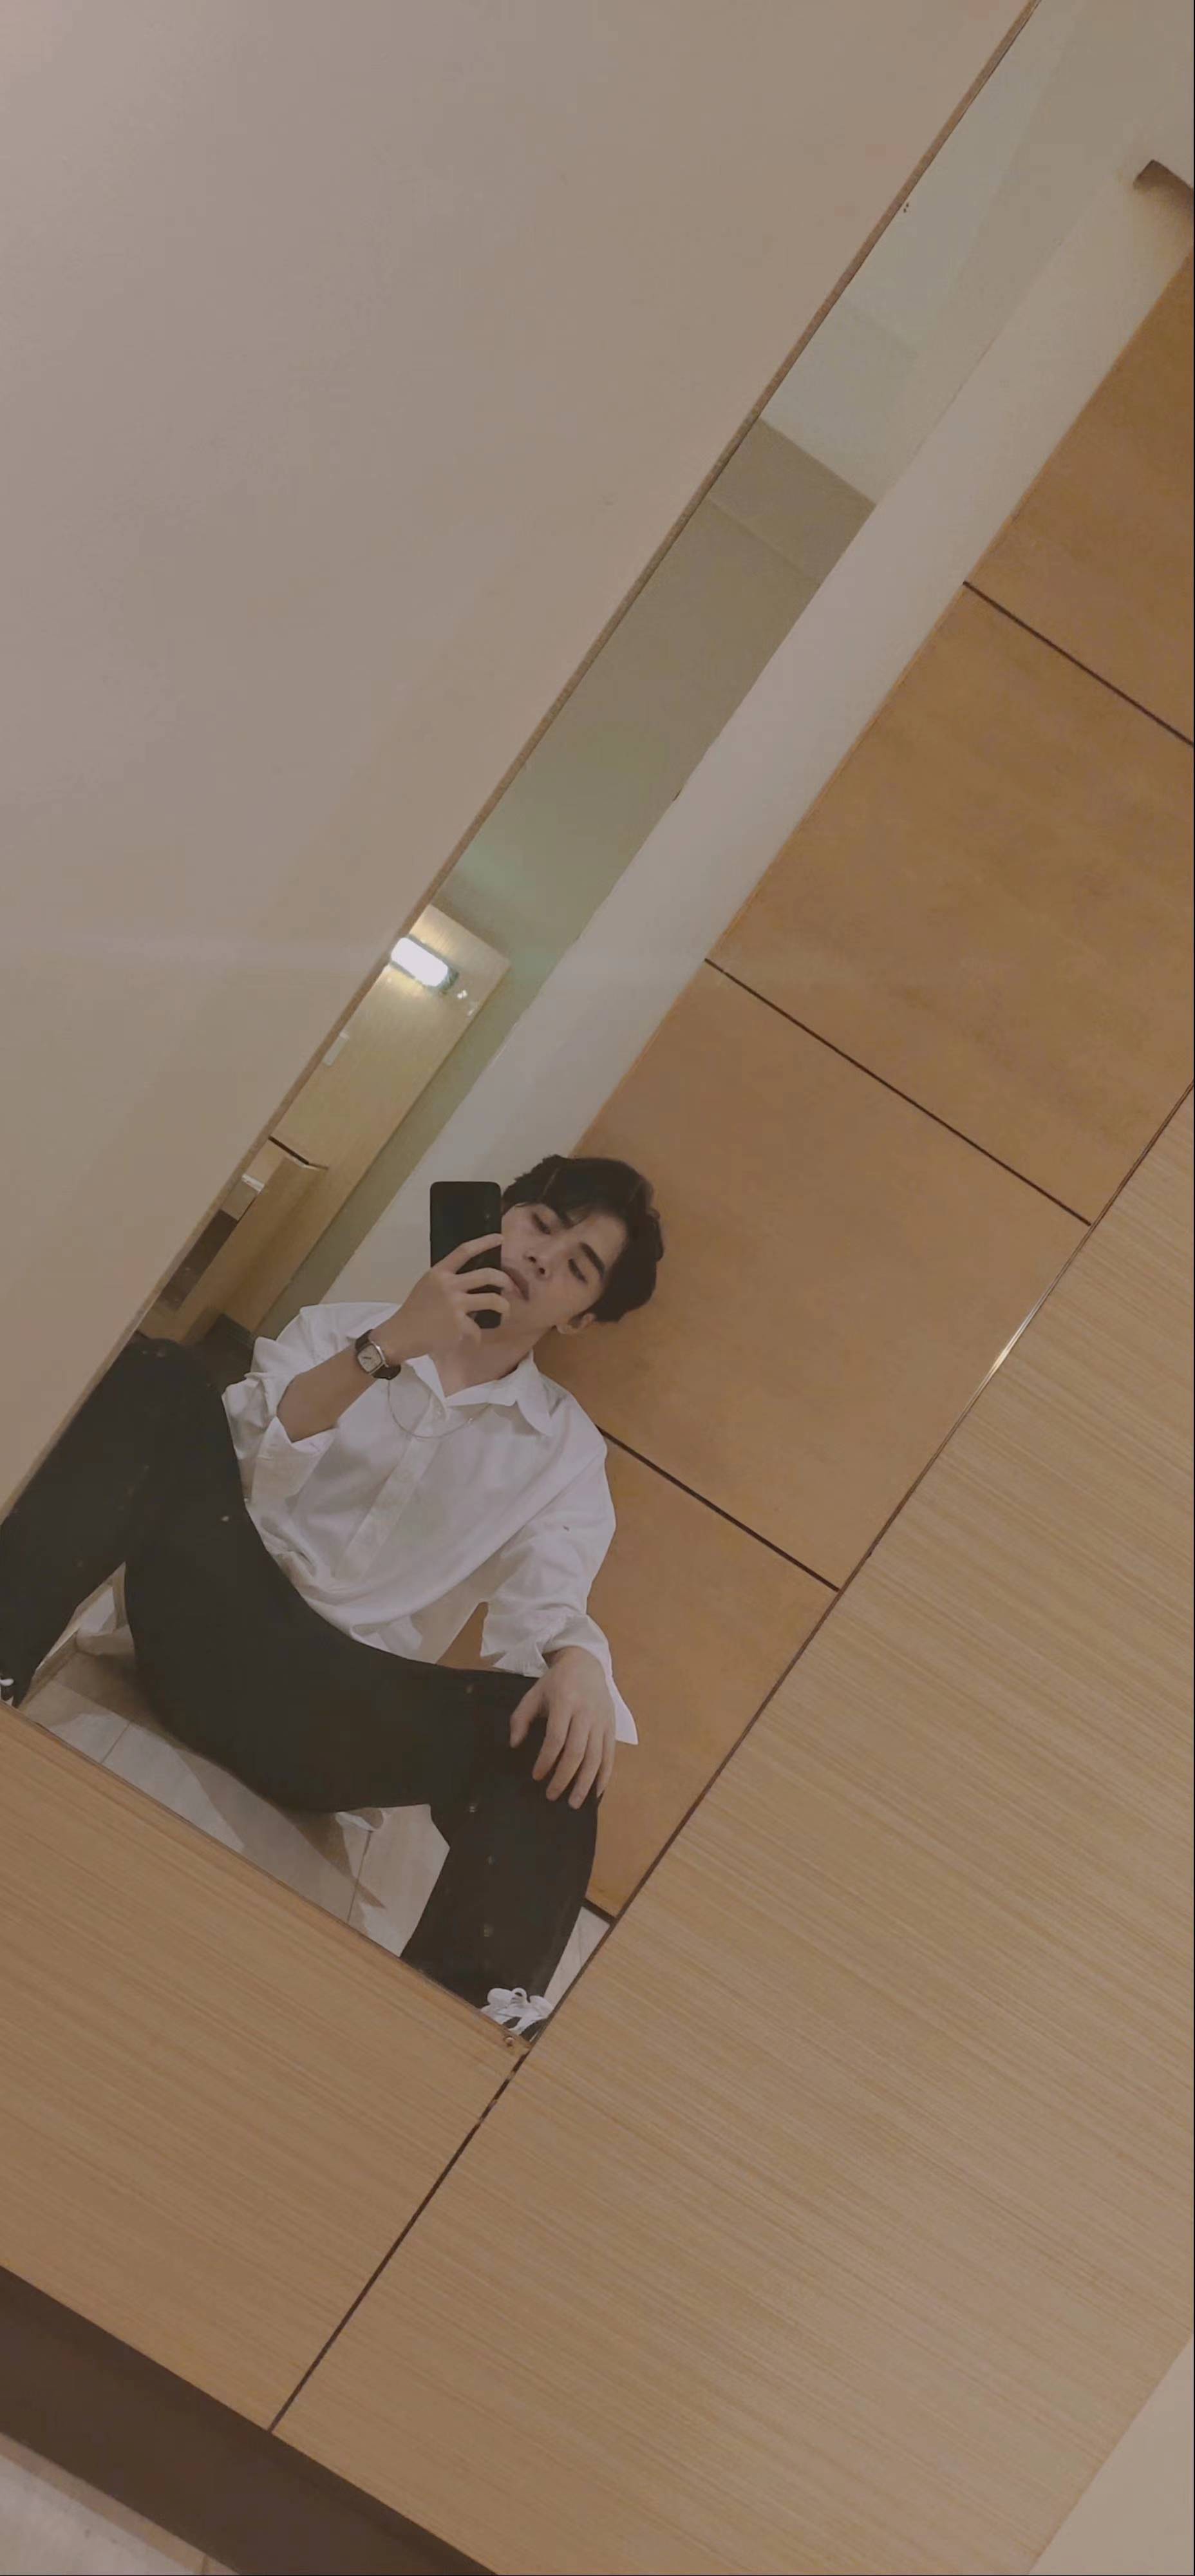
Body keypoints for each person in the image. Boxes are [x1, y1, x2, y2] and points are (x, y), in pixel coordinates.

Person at [0, 1155, 663, 2034]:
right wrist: (385, 1348)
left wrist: (577, 1659)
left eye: (578, 1266)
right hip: (212, 1622)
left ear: (580, 1316)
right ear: (500, 1215)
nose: (543, 1259)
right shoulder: (344, 1328)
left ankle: (463, 2015)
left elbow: (547, 1599)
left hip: (340, 1718)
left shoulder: (563, 1449)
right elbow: (226, 1459)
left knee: (563, 1726)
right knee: (160, 1376)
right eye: (541, 1225)